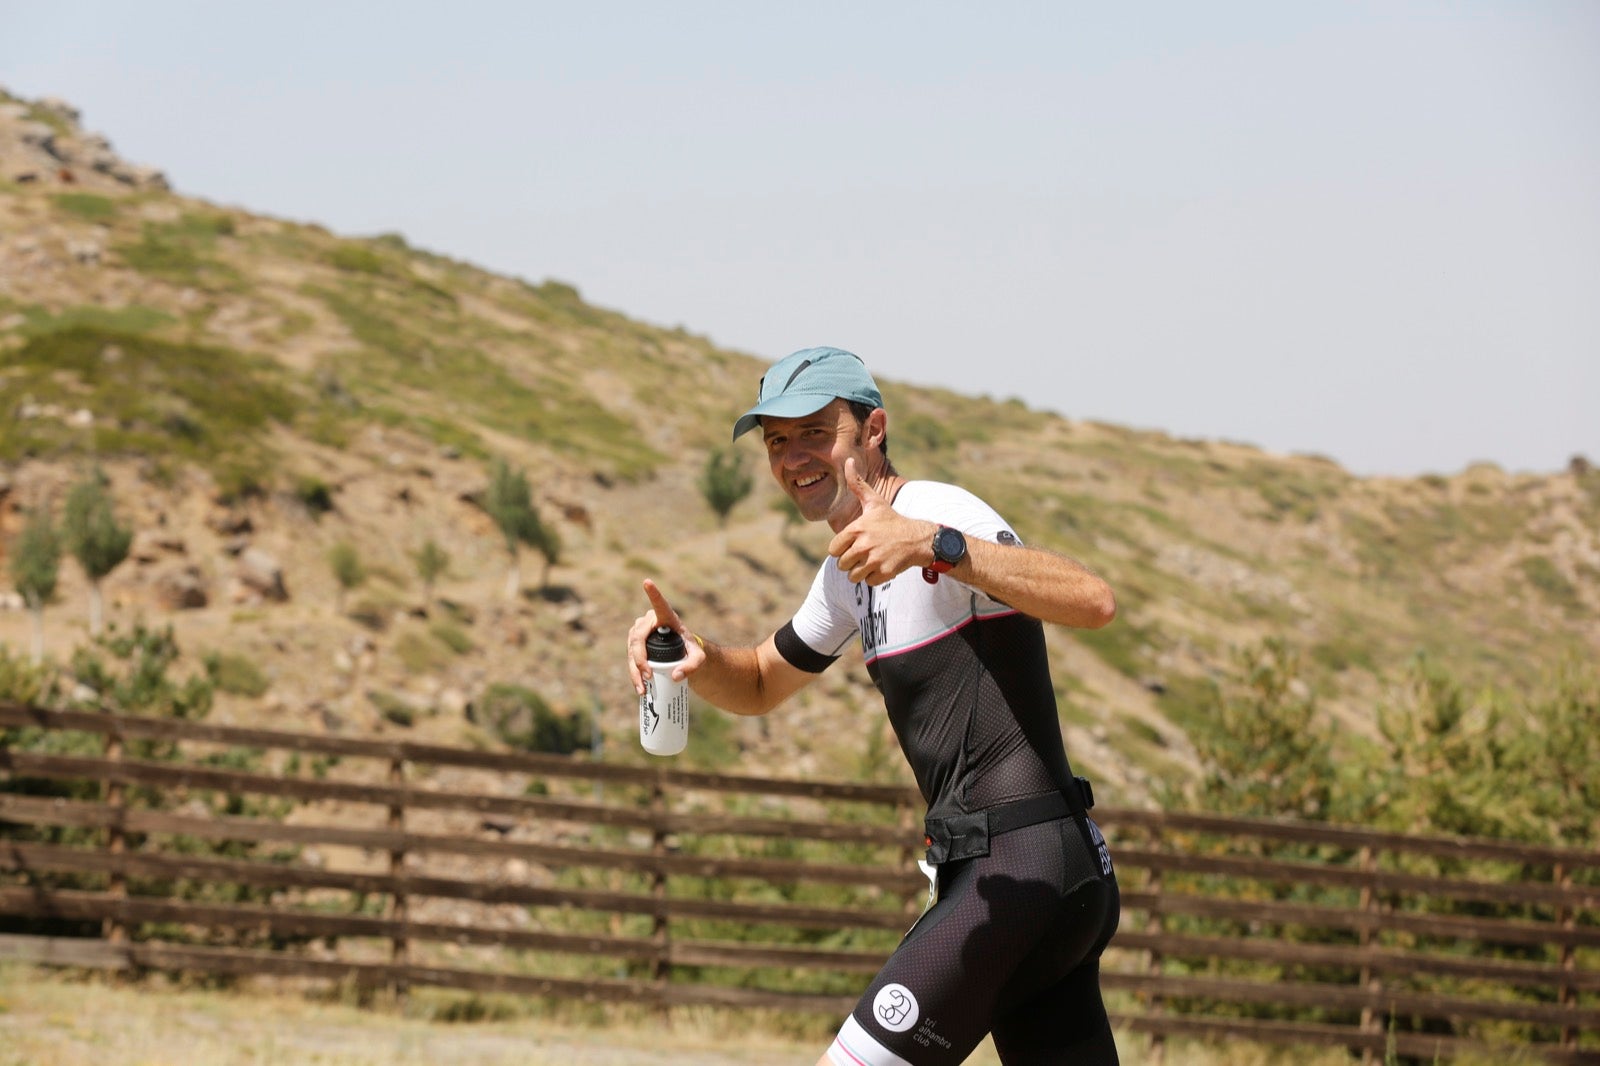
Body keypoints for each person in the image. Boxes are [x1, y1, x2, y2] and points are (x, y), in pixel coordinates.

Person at [626, 346, 1122, 1066]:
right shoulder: (844, 573)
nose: (795, 456)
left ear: (873, 429)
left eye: (815, 432)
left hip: (1022, 868)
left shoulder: (936, 511)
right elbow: (763, 680)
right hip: (1034, 877)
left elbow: (1093, 601)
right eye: (776, 441)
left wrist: (934, 544)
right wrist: (698, 656)